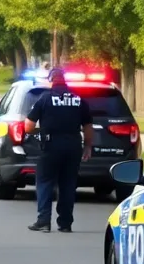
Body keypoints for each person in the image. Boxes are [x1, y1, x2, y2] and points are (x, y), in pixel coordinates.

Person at [23, 67, 93, 233]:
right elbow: (88, 127)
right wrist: (88, 146)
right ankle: (65, 223)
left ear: (51, 80)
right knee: (68, 184)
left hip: (50, 146)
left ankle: (44, 221)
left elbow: (28, 126)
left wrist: (40, 132)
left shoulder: (44, 99)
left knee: (45, 182)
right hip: (73, 146)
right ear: (65, 80)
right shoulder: (78, 100)